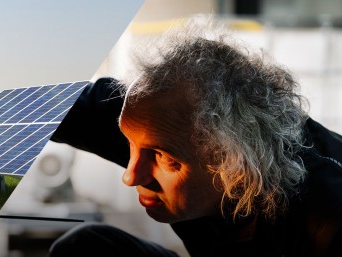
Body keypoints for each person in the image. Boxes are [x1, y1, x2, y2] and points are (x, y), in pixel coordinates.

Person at [49, 17, 342, 257]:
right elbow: (34, 105)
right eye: (129, 144)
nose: (131, 177)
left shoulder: (324, 219)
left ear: (234, 164)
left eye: (164, 158)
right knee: (86, 247)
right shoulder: (155, 120)